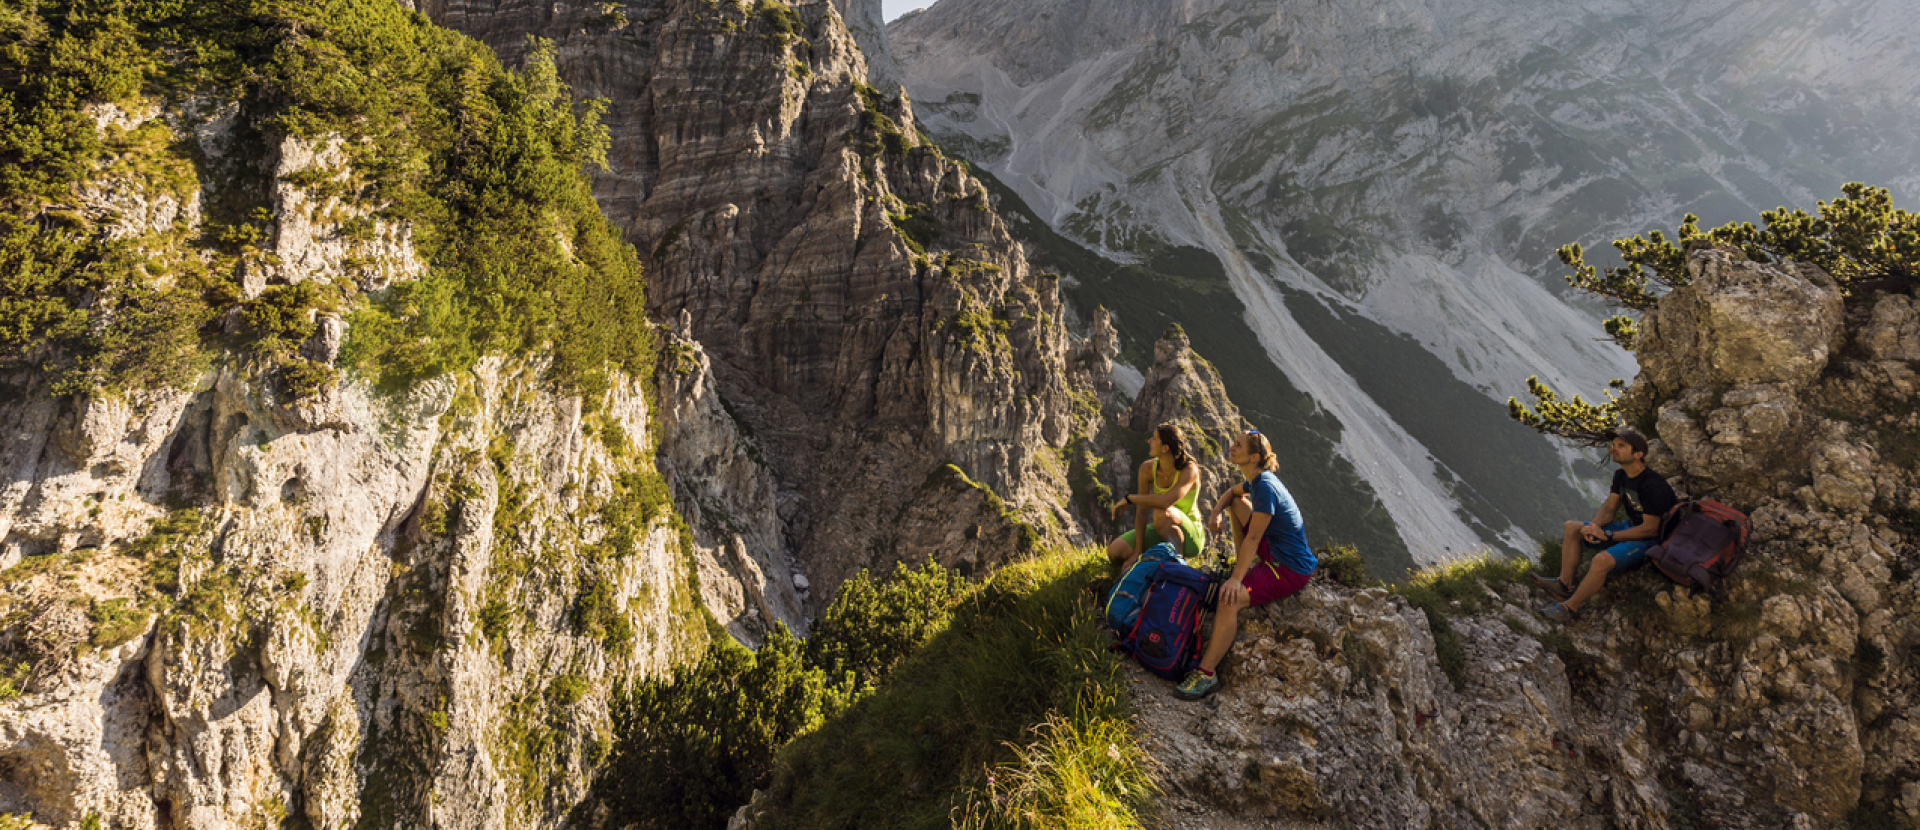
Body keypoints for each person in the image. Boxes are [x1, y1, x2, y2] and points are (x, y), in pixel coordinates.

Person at [1175, 429, 1313, 700]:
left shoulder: (1265, 486)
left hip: (1288, 568)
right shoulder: (1258, 479)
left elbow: (1254, 537)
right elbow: (1231, 493)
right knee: (1237, 503)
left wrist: (1237, 580)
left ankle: (1206, 674)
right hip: (1274, 551)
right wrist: (1215, 512)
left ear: (1254, 456)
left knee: (1229, 599)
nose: (1231, 446)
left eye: (1238, 445)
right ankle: (1242, 570)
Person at [1532, 427, 1678, 622]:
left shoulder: (1653, 485)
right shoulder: (1621, 475)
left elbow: (1651, 528)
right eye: (1614, 444)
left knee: (1601, 561)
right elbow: (1609, 509)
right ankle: (1563, 585)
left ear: (1638, 454)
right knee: (1572, 527)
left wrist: (1609, 536)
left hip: (1650, 540)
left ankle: (1569, 608)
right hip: (1630, 527)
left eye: (1621, 446)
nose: (1613, 449)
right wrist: (1592, 526)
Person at [1108, 423, 1206, 566]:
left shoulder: (1189, 470)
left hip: (1191, 536)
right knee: (1115, 551)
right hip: (1162, 528)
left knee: (1161, 512)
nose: (1149, 441)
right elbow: (1142, 512)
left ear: (1165, 448)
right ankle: (1151, 562)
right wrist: (1137, 552)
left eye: (1154, 439)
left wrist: (1130, 498)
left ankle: (1178, 564)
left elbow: (1165, 502)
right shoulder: (1147, 469)